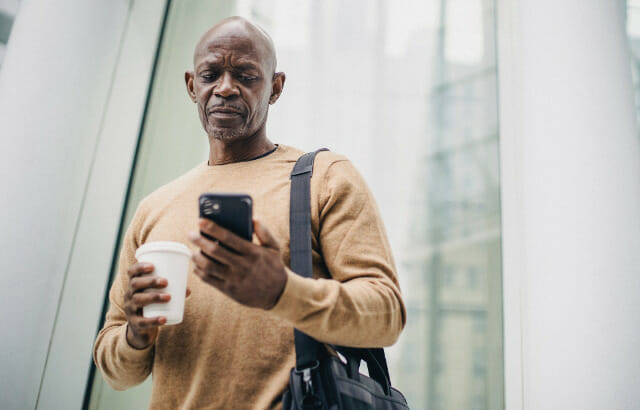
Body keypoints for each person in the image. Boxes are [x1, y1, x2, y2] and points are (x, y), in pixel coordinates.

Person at [93, 16, 406, 409]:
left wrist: (282, 291)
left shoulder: (323, 178)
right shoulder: (153, 209)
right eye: (211, 74)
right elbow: (116, 370)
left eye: (245, 75)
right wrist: (135, 337)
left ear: (275, 87)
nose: (225, 88)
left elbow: (385, 314)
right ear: (192, 86)